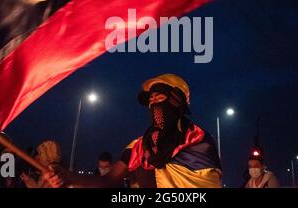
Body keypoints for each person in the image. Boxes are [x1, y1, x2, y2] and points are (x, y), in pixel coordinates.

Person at [44, 74, 222, 188]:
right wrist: (67, 175)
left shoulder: (199, 140)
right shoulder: (139, 147)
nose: (153, 103)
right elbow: (107, 181)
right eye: (151, 100)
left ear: (177, 101)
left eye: (160, 97)